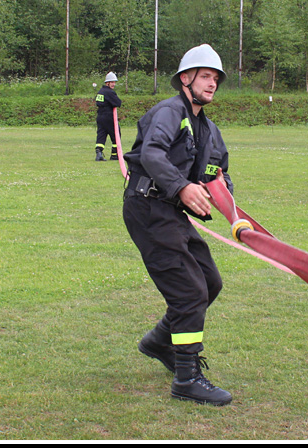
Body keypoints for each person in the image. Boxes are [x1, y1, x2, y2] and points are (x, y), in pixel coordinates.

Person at [122, 43, 234, 406]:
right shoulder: (169, 112)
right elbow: (152, 153)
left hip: (171, 212)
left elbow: (219, 172)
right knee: (189, 291)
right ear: (186, 79)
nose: (212, 83)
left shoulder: (209, 129)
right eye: (205, 76)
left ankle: (158, 342)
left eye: (215, 78)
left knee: (210, 282)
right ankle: (186, 378)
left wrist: (225, 199)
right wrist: (183, 187)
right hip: (147, 208)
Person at [94, 72, 122, 161]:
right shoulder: (109, 92)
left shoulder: (100, 91)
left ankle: (99, 153)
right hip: (109, 116)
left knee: (101, 135)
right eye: (112, 82)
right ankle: (114, 155)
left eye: (114, 82)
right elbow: (118, 103)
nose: (114, 84)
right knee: (116, 134)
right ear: (107, 83)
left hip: (100, 116)